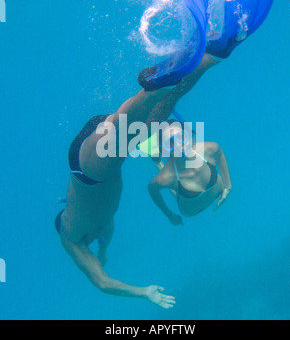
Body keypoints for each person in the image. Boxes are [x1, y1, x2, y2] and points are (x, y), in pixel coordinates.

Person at [55, 53, 219, 308]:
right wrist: (104, 252)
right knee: (157, 113)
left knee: (123, 138)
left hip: (87, 172)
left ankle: (153, 85)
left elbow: (102, 282)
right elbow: (103, 247)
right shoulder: (101, 231)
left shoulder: (70, 237)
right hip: (103, 160)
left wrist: (143, 292)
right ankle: (212, 54)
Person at [147, 120, 232, 225]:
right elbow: (152, 189)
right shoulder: (166, 177)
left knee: (174, 185)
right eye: (171, 143)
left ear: (188, 137)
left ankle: (158, 160)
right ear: (165, 150)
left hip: (218, 192)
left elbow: (219, 152)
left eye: (181, 137)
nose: (179, 145)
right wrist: (169, 215)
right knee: (173, 186)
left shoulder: (209, 149)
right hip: (191, 212)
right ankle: (159, 163)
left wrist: (228, 185)